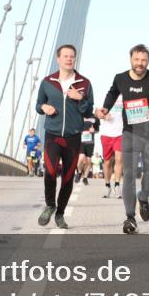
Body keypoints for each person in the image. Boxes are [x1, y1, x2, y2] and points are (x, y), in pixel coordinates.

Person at [96, 44, 149, 234]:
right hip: (129, 133)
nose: (140, 63)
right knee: (129, 176)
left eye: (144, 60)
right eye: (136, 59)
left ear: (148, 61)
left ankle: (144, 197)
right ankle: (130, 218)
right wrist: (105, 108)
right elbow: (112, 93)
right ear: (131, 59)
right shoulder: (120, 78)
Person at [34, 44, 93, 229]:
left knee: (67, 178)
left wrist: (80, 98)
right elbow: (38, 104)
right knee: (50, 172)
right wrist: (44, 108)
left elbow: (88, 110)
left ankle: (60, 214)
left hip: (73, 136)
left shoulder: (84, 83)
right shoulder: (47, 82)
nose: (69, 59)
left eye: (72, 56)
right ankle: (50, 205)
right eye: (65, 56)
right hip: (52, 134)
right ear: (58, 59)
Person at [99, 94, 123, 198]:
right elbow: (97, 112)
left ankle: (117, 185)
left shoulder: (127, 95)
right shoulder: (107, 97)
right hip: (107, 134)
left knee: (119, 159)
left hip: (120, 133)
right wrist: (104, 116)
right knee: (107, 162)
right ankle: (107, 184)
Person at [77, 115, 99, 185]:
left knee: (88, 161)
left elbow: (97, 130)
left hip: (90, 142)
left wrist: (94, 131)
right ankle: (79, 172)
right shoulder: (79, 116)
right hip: (81, 142)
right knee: (80, 158)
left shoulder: (95, 118)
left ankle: (85, 178)